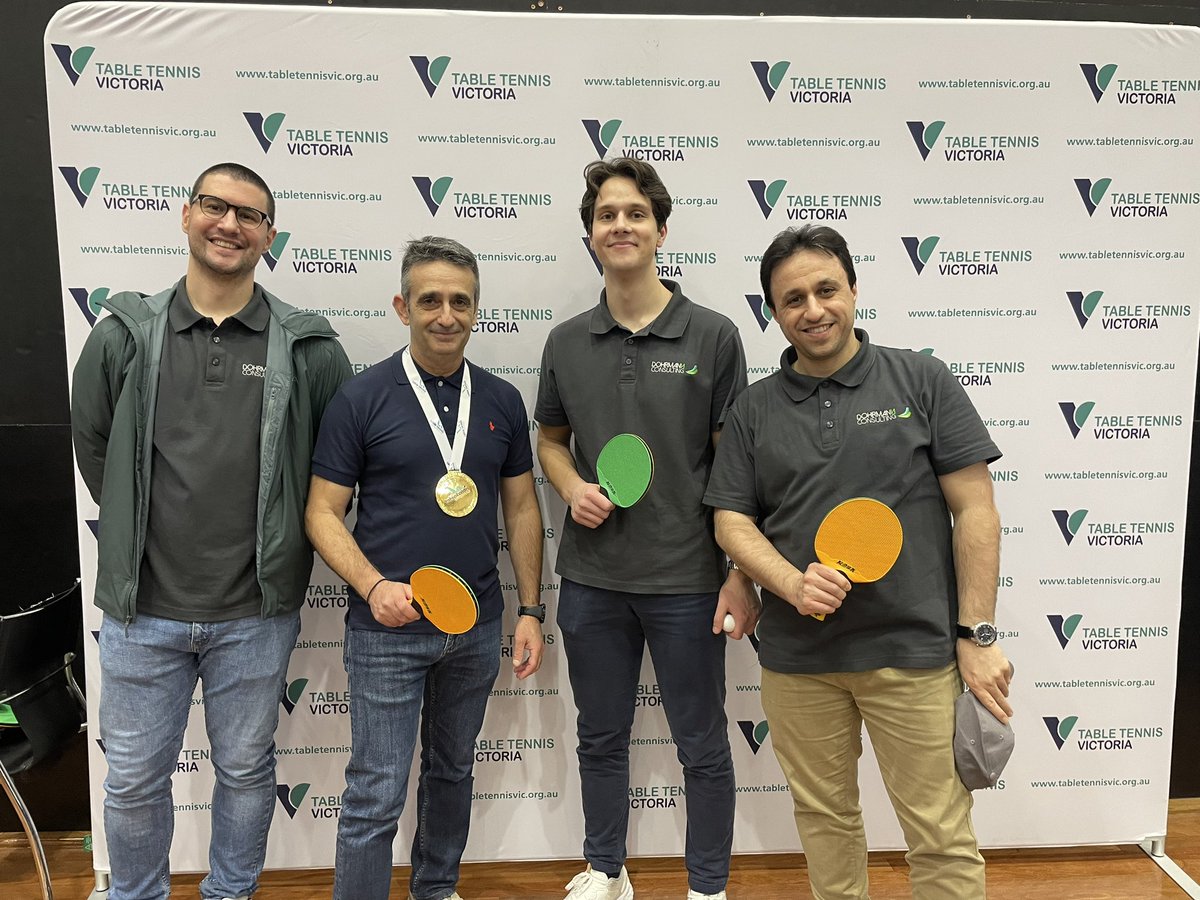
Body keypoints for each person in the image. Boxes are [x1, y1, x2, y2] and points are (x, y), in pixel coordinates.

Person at [704, 224, 1014, 900]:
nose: (812, 310)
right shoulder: (752, 410)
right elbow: (732, 518)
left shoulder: (922, 379)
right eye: (792, 299)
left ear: (853, 289)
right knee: (825, 823)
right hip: (799, 662)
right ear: (774, 312)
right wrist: (787, 581)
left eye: (825, 290)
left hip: (914, 653)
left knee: (940, 833)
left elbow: (977, 511)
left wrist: (978, 635)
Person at [70, 162, 352, 900]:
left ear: (270, 235)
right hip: (142, 613)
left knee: (246, 770)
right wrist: (139, 531)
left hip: (255, 616)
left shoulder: (309, 348)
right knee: (132, 778)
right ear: (186, 214)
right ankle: (135, 894)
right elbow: (95, 445)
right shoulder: (125, 334)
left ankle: (231, 893)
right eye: (215, 207)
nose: (229, 224)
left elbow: (339, 466)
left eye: (249, 215)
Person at [536, 158, 756, 900]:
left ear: (661, 229)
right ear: (592, 235)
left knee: (701, 745)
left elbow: (735, 470)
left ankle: (707, 887)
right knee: (599, 737)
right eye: (606, 215)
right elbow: (550, 440)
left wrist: (739, 570)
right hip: (593, 579)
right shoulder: (566, 342)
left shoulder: (716, 336)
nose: (620, 225)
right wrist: (569, 488)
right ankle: (606, 870)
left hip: (689, 579)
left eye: (634, 213)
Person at [305, 236, 545, 900]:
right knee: (376, 790)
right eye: (430, 299)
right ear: (401, 306)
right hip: (388, 630)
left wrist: (530, 608)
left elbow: (523, 509)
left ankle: (435, 890)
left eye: (460, 301)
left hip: (474, 628)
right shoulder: (361, 398)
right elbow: (322, 512)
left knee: (451, 774)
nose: (446, 314)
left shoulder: (500, 400)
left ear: (477, 311)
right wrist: (373, 586)